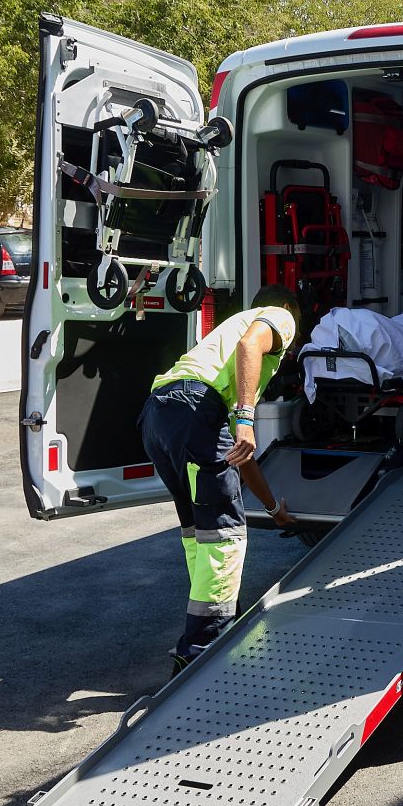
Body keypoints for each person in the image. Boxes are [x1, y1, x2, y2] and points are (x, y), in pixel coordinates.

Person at [139, 285, 301, 673]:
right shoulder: (279, 316)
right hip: (196, 408)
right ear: (284, 307)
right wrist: (246, 417)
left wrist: (273, 509)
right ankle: (202, 651)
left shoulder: (217, 356)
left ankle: (219, 621)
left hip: (157, 415)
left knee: (200, 532)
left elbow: (238, 457)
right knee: (224, 536)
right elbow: (251, 346)